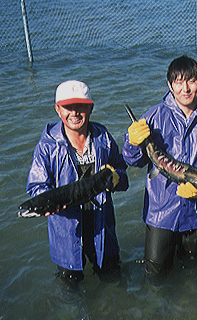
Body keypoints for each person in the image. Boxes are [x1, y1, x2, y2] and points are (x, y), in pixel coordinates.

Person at [123, 55, 197, 278]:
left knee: (195, 269)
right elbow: (133, 160)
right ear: (170, 85)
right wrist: (132, 143)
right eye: (179, 82)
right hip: (160, 211)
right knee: (155, 273)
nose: (185, 88)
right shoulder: (154, 116)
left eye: (191, 81)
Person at [26, 80, 129, 284]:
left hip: (102, 227)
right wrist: (47, 202)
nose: (74, 113)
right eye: (67, 107)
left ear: (90, 108)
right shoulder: (47, 146)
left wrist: (115, 178)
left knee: (113, 279)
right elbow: (36, 186)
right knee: (70, 288)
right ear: (57, 110)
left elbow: (123, 176)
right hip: (66, 232)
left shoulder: (103, 138)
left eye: (80, 106)